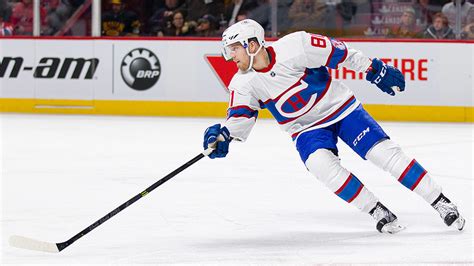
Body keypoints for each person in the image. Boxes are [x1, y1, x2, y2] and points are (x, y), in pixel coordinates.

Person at [202, 19, 466, 234]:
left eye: (234, 48)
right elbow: (240, 119)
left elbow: (340, 53)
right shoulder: (243, 83)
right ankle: (376, 210)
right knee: (320, 165)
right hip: (305, 129)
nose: (229, 56)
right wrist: (224, 135)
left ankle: (440, 202)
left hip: (341, 109)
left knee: (384, 154)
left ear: (251, 44)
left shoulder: (296, 45)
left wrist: (374, 69)